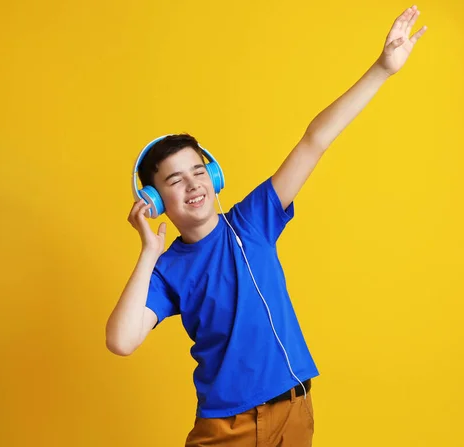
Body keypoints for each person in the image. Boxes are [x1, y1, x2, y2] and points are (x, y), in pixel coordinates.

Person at [105, 5, 427, 446]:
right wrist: (147, 253)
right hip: (226, 427)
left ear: (214, 177)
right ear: (156, 201)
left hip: (294, 410)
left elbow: (315, 140)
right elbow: (122, 341)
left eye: (198, 171)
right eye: (174, 181)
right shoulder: (165, 270)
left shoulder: (252, 220)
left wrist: (382, 69)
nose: (193, 185)